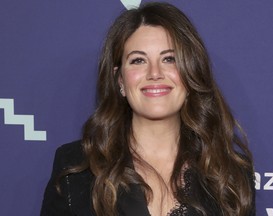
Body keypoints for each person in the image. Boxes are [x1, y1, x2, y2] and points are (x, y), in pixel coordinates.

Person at [40, 2, 255, 216]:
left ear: (191, 74)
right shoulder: (77, 167)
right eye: (138, 60)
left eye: (169, 59)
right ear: (120, 80)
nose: (154, 73)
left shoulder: (229, 174)